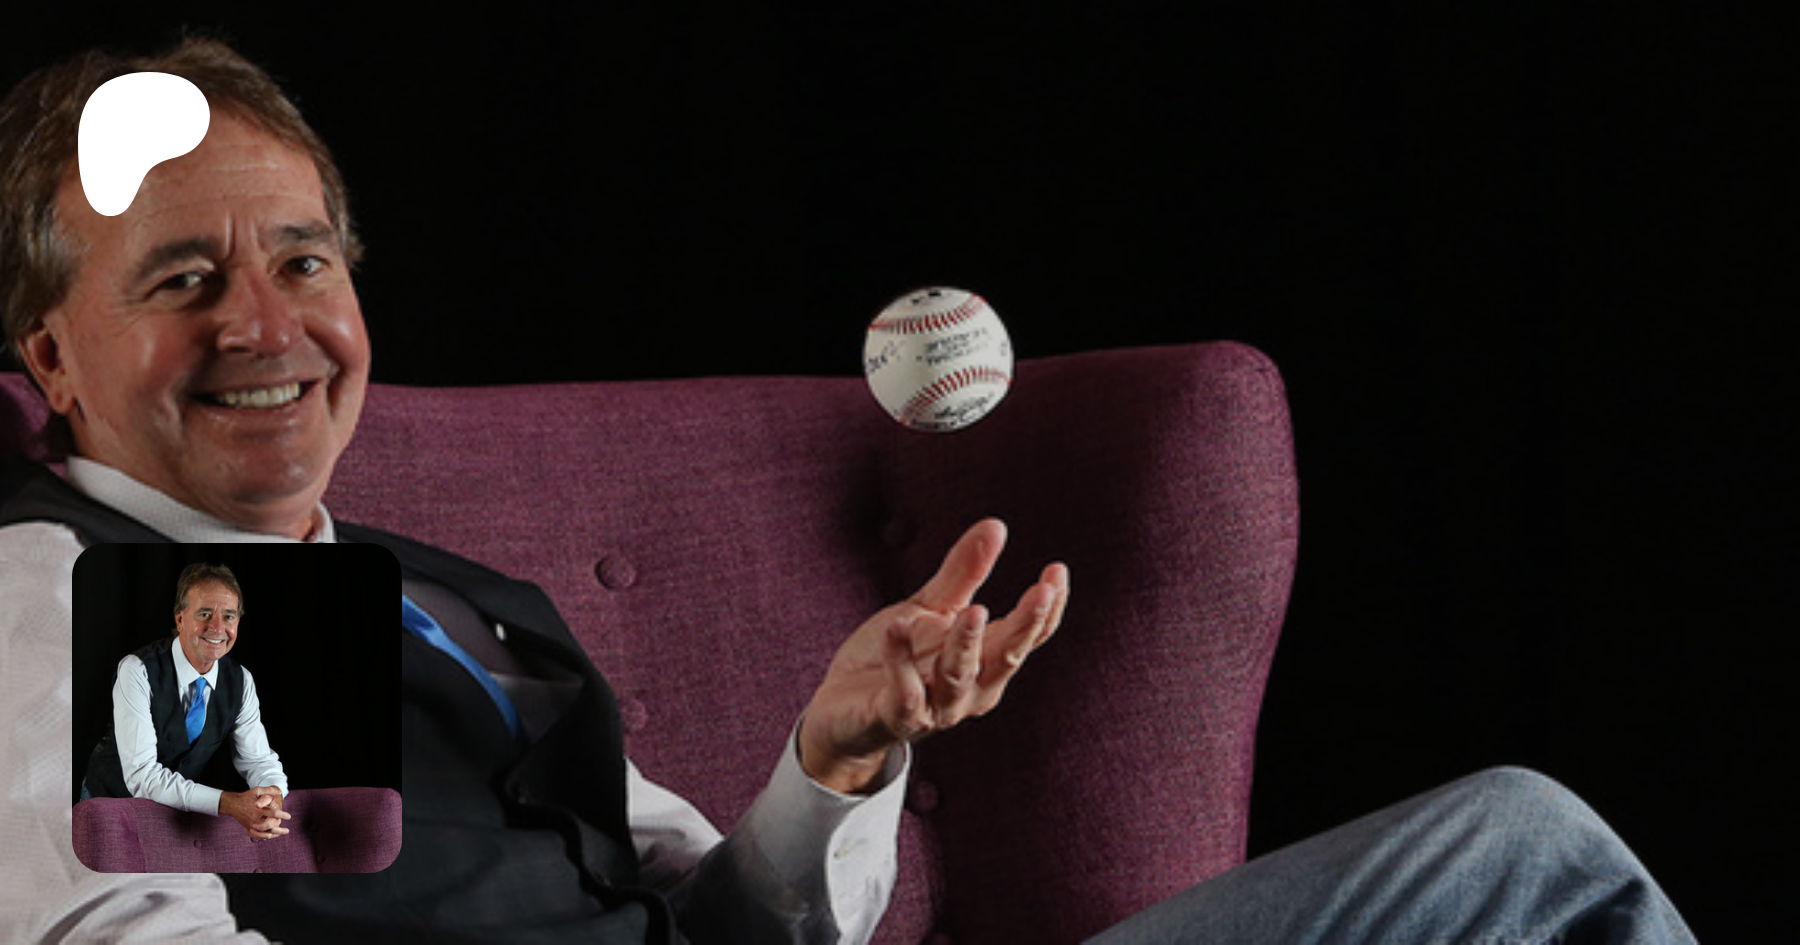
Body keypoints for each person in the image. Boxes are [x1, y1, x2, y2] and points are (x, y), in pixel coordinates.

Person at [0, 37, 1692, 945]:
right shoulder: (72, 593)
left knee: (1519, 845)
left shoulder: (441, 602)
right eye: (184, 280)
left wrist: (836, 755)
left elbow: (730, 924)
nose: (268, 325)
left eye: (303, 259)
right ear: (54, 359)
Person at [79, 561, 293, 844]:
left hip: (174, 817)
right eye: (205, 614)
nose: (217, 628)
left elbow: (258, 759)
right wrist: (230, 804)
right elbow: (143, 776)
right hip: (110, 804)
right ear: (180, 619)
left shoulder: (241, 680)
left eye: (229, 616)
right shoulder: (137, 669)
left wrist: (272, 798)